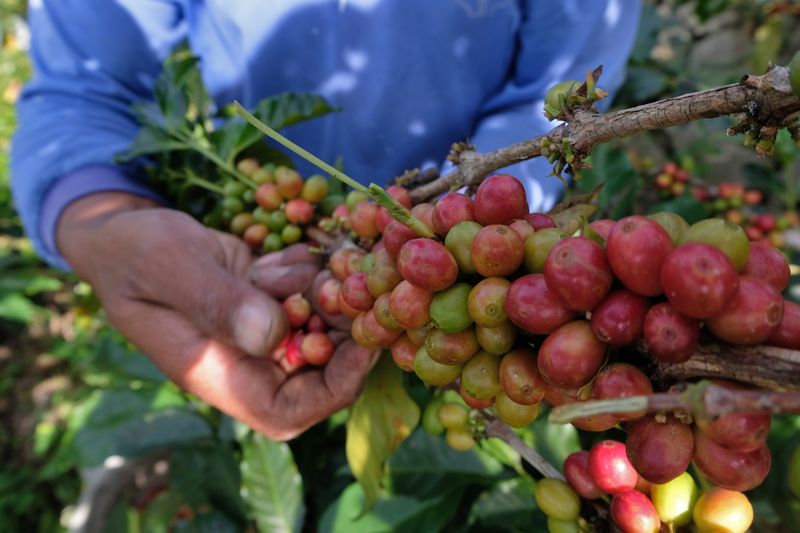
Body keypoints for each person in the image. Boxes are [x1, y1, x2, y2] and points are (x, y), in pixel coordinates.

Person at [11, 0, 641, 440]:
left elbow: (557, 98)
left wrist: (476, 206)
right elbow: (83, 88)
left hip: (462, 265)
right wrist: (102, 222)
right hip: (265, 262)